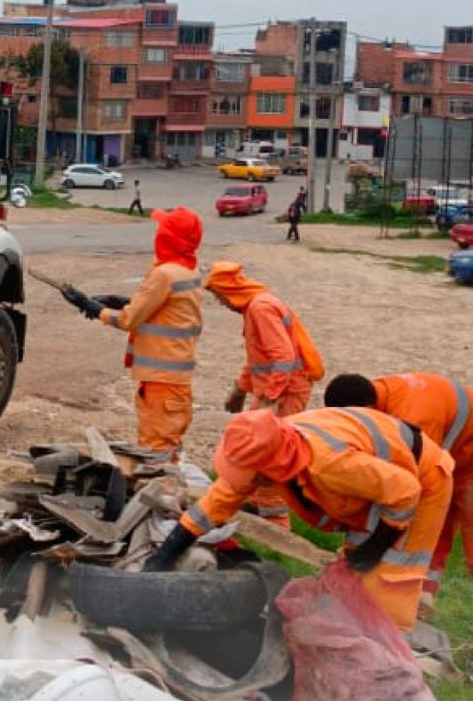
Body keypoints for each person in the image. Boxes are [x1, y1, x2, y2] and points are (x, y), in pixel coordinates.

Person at [146, 408, 454, 632]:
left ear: (274, 465)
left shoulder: (330, 463)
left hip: (419, 481)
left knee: (387, 580)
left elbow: (404, 492)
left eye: (255, 476)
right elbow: (220, 499)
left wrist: (377, 546)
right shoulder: (263, 445)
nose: (250, 483)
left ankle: (390, 656)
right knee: (352, 572)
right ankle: (348, 631)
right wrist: (169, 550)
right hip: (374, 486)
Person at [61, 207, 204, 463]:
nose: (157, 234)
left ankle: (159, 494)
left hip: (161, 382)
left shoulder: (163, 275)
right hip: (174, 379)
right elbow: (166, 309)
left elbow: (129, 320)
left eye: (162, 231)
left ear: (169, 238)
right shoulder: (189, 272)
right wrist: (119, 300)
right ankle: (166, 492)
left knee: (155, 451)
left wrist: (93, 308)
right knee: (167, 446)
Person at [325, 373, 473, 601]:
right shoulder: (380, 393)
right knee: (437, 516)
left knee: (434, 507)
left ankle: (417, 594)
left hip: (467, 461)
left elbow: (413, 486)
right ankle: (423, 595)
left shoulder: (414, 417)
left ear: (366, 408)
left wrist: (366, 552)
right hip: (458, 453)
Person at [205, 261, 323, 528]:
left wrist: (270, 398)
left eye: (218, 295)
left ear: (228, 291)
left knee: (269, 458)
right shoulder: (256, 306)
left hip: (285, 392)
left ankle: (277, 525)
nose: (220, 303)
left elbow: (282, 357)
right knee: (250, 450)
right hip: (278, 390)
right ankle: (259, 507)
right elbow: (259, 358)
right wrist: (240, 389)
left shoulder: (260, 308)